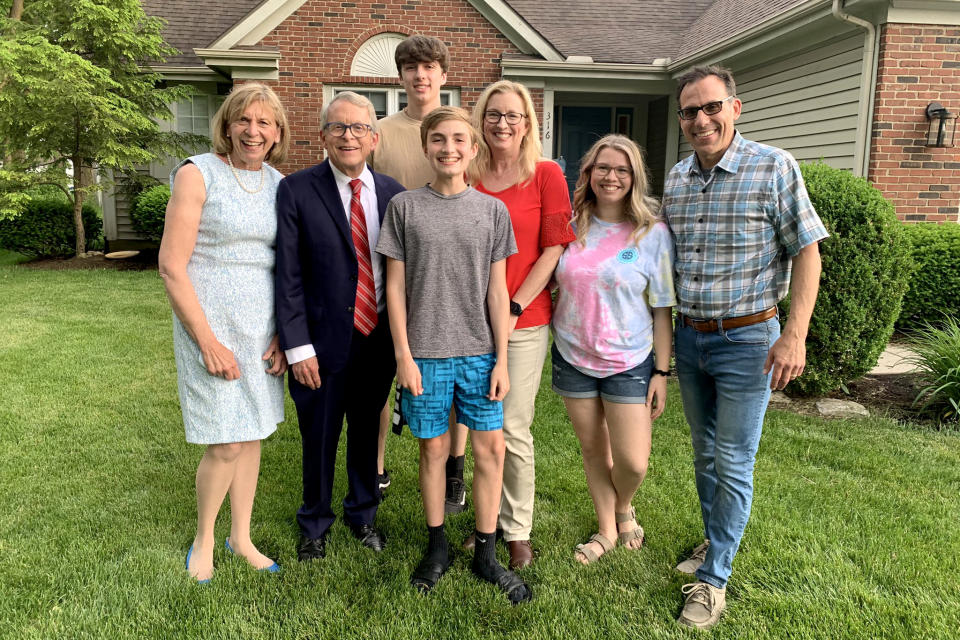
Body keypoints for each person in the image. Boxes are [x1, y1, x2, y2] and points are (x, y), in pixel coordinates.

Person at [663, 65, 828, 630]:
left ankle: (714, 580)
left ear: (735, 107)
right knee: (704, 454)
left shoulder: (773, 167)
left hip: (749, 339)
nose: (700, 119)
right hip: (691, 338)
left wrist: (794, 335)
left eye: (711, 107)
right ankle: (715, 544)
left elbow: (808, 252)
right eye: (690, 111)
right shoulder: (678, 179)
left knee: (733, 458)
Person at [376, 106, 531, 603]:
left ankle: (486, 553)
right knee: (433, 450)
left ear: (473, 148)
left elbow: (496, 291)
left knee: (490, 450)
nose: (449, 149)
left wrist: (502, 359)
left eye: (459, 140)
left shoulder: (492, 212)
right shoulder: (404, 208)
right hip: (424, 354)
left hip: (480, 354)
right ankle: (437, 545)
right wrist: (403, 353)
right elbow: (395, 289)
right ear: (427, 147)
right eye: (439, 140)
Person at [158, 83, 290, 583]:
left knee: (253, 433)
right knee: (226, 442)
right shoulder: (198, 174)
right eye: (244, 121)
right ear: (228, 125)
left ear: (277, 133)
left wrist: (281, 333)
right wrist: (207, 341)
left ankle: (242, 537)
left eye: (264, 123)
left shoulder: (280, 184)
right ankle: (205, 538)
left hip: (261, 328)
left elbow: (285, 267)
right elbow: (172, 266)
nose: (253, 131)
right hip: (209, 323)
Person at [275, 92, 404, 561]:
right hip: (320, 340)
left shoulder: (394, 194)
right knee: (320, 433)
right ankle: (314, 521)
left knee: (368, 430)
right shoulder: (296, 190)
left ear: (374, 138)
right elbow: (287, 275)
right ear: (323, 136)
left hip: (378, 337)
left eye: (357, 128)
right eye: (338, 127)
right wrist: (297, 347)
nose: (348, 136)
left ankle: (363, 513)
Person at [460, 80, 576, 569]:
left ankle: (516, 528)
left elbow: (554, 248)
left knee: (512, 425)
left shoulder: (546, 174)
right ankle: (484, 521)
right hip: (465, 321)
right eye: (493, 114)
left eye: (513, 115)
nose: (502, 123)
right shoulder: (466, 171)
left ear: (528, 123)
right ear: (480, 121)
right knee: (475, 423)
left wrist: (513, 305)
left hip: (524, 320)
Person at [551, 135, 675, 565]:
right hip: (573, 355)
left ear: (634, 178)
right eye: (603, 167)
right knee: (593, 450)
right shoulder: (569, 226)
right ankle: (607, 527)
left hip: (629, 360)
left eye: (622, 170)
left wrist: (661, 372)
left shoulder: (652, 234)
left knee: (633, 462)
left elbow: (662, 310)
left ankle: (625, 504)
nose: (612, 176)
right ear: (589, 172)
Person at [370, 34, 462, 501]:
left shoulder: (464, 132)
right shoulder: (380, 132)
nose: (421, 75)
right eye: (411, 67)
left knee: (452, 371)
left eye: (429, 67)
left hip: (451, 276)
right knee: (384, 372)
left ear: (443, 75)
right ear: (401, 76)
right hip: (392, 268)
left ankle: (454, 467)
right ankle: (378, 465)